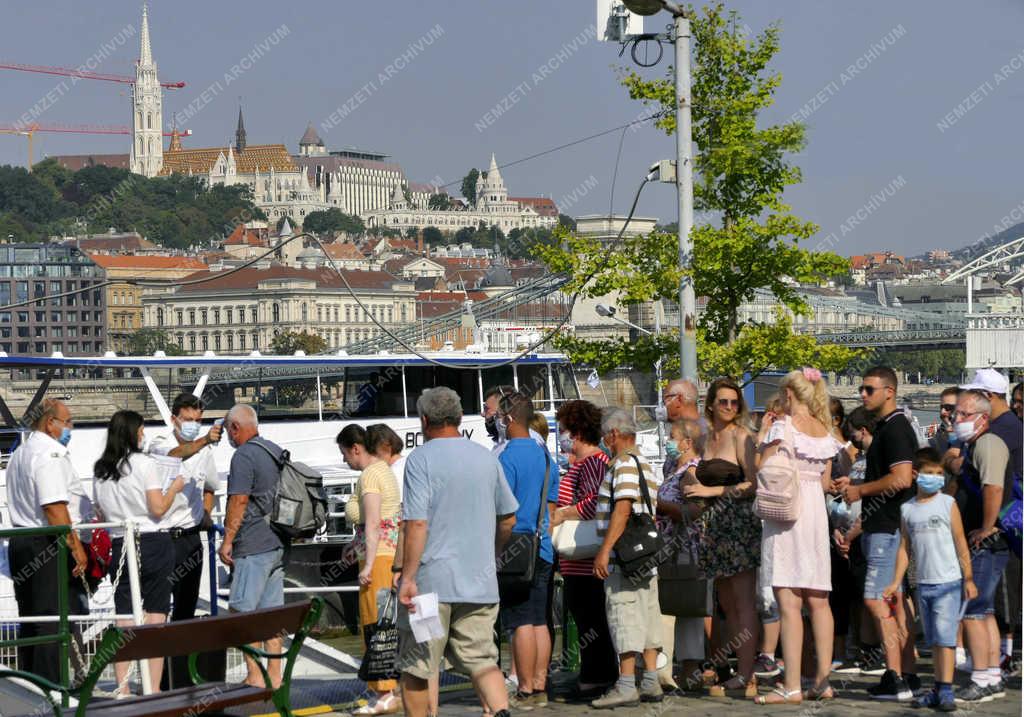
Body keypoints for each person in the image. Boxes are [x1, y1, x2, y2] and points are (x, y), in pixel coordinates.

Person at [395, 387, 518, 717]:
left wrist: (407, 577)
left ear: (424, 420)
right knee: (482, 660)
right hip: (479, 583)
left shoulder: (420, 459)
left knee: (419, 665)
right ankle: (501, 712)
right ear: (459, 417)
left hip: (429, 587)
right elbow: (508, 519)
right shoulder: (485, 457)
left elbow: (416, 524)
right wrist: (491, 554)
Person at [754, 369, 844, 705]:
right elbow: (823, 483)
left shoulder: (782, 426)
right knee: (819, 601)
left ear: (789, 395)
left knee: (789, 601)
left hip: (786, 515)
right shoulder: (825, 430)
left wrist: (762, 435)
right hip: (815, 514)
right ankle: (823, 679)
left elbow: (763, 468)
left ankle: (791, 684)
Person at [835, 366, 918, 700]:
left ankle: (896, 675)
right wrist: (856, 486)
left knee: (876, 599)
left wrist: (860, 490)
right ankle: (906, 675)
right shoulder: (886, 427)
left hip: (887, 527)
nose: (863, 395)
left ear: (889, 391)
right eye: (862, 389)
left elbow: (902, 478)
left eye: (869, 389)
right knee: (894, 601)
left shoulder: (896, 428)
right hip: (881, 525)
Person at [93, 410, 186, 695]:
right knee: (156, 616)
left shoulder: (101, 469)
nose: (144, 435)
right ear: (134, 432)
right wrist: (174, 488)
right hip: (153, 542)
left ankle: (122, 688)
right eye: (142, 430)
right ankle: (152, 688)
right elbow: (158, 508)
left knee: (124, 617)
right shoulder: (145, 464)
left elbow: (99, 511)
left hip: (120, 543)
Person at [682, 377, 760, 698]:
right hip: (712, 528)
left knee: (743, 604)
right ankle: (736, 671)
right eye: (724, 402)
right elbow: (689, 468)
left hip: (738, 525)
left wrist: (709, 490)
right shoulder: (703, 440)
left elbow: (752, 484)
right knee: (726, 604)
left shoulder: (742, 437)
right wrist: (689, 476)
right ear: (711, 404)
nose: (730, 407)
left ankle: (747, 674)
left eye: (734, 402)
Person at [883, 448, 977, 712]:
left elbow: (960, 542)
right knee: (935, 640)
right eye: (929, 473)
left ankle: (946, 690)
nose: (935, 478)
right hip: (924, 583)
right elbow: (904, 548)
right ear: (915, 475)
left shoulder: (948, 503)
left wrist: (968, 578)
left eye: (939, 474)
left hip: (948, 581)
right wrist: (894, 582)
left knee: (946, 639)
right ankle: (938, 686)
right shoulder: (907, 509)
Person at [5, 398, 90, 685]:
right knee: (50, 620)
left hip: (22, 542)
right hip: (44, 542)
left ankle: (29, 686)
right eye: (67, 422)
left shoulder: (21, 452)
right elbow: (54, 507)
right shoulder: (48, 454)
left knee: (30, 618)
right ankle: (50, 690)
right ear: (50, 424)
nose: (70, 427)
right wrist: (76, 547)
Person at [145, 394, 222, 688]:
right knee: (159, 611)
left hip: (190, 538)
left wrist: (205, 510)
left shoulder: (205, 450)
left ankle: (180, 677)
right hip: (163, 538)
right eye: (188, 420)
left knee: (186, 612)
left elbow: (211, 485)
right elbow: (175, 455)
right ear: (174, 418)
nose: (193, 425)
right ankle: (159, 680)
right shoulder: (159, 441)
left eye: (198, 421)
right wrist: (204, 439)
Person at [591, 407, 664, 709]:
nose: (604, 442)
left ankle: (625, 684)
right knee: (648, 615)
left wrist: (605, 550)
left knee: (623, 613)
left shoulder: (621, 465)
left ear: (614, 434)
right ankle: (650, 681)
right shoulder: (644, 463)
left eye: (605, 436)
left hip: (625, 555)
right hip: (646, 554)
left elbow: (622, 509)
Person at [949, 389, 1013, 702]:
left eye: (963, 414)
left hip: (986, 542)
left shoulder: (987, 444)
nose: (956, 419)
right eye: (956, 413)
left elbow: (993, 488)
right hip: (987, 539)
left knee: (974, 610)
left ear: (983, 418)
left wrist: (986, 528)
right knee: (984, 610)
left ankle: (979, 679)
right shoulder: (975, 444)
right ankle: (991, 675)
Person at [551, 399, 618, 700]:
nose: (561, 435)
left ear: (576, 432)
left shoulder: (593, 462)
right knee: (586, 617)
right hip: (577, 559)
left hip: (586, 557)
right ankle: (594, 673)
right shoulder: (584, 462)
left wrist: (564, 513)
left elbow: (595, 502)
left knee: (592, 617)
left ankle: (597, 676)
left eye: (563, 429)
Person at [494, 391, 558, 708]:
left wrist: (496, 550)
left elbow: (504, 512)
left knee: (519, 621)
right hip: (543, 546)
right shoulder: (544, 454)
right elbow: (551, 504)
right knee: (540, 619)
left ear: (507, 418)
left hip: (515, 549)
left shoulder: (506, 458)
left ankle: (525, 686)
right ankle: (540, 681)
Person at [218, 403, 287, 688]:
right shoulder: (273, 450)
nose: (228, 438)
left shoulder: (244, 456)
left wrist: (228, 541)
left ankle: (255, 676)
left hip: (253, 544)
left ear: (235, 427)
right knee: (271, 614)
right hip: (277, 542)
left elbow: (239, 501)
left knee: (242, 612)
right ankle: (274, 676)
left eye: (227, 432)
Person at [339, 425, 402, 715]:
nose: (344, 461)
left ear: (355, 448)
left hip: (378, 560)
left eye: (344, 454)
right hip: (386, 556)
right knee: (383, 624)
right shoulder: (383, 471)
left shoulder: (370, 475)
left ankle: (385, 693)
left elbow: (374, 522)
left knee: (376, 624)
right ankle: (385, 689)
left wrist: (367, 563)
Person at [654, 417, 707, 691]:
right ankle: (678, 669)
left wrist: (659, 505)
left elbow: (694, 510)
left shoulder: (691, 470)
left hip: (684, 548)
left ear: (687, 442)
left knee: (686, 606)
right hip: (670, 547)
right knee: (676, 606)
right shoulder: (675, 468)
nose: (668, 440)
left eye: (673, 436)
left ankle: (689, 670)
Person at [931, 387, 962, 454]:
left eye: (948, 407)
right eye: (941, 407)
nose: (942, 411)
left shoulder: (971, 438)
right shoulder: (940, 432)